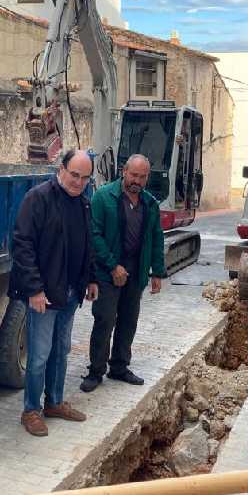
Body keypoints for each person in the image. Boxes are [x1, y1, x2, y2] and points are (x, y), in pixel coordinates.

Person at [9, 149, 99, 437]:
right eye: (75, 175)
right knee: (39, 355)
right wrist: (34, 289)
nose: (79, 182)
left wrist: (91, 279)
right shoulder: (38, 199)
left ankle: (55, 402)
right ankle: (31, 410)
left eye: (85, 178)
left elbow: (88, 245)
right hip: (44, 296)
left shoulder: (84, 204)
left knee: (61, 351)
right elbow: (22, 246)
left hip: (71, 293)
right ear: (61, 169)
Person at [81, 154, 166, 393]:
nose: (136, 180)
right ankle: (95, 371)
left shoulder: (150, 203)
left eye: (142, 176)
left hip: (136, 272)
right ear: (124, 171)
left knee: (128, 321)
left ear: (147, 177)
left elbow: (157, 238)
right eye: (133, 175)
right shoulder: (103, 197)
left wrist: (157, 272)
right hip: (108, 273)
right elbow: (94, 235)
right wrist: (112, 266)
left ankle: (119, 367)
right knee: (105, 319)